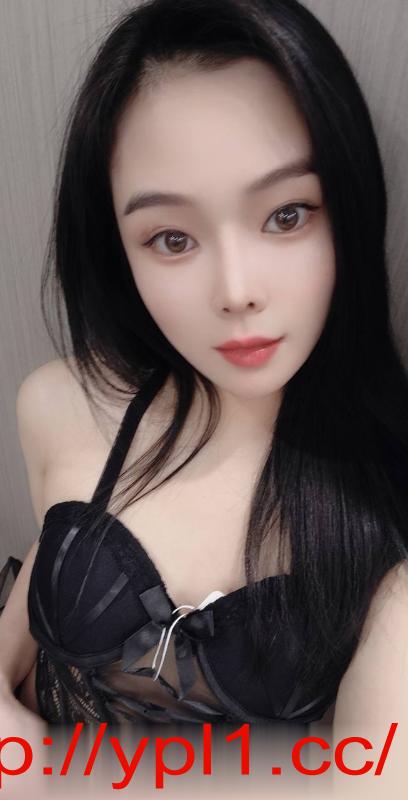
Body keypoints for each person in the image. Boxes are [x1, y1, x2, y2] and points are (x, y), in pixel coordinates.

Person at [1, 0, 407, 736]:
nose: (235, 291)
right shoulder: (59, 403)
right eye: (171, 238)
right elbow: (47, 564)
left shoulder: (384, 500)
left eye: (287, 214)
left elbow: (372, 771)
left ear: (350, 205)